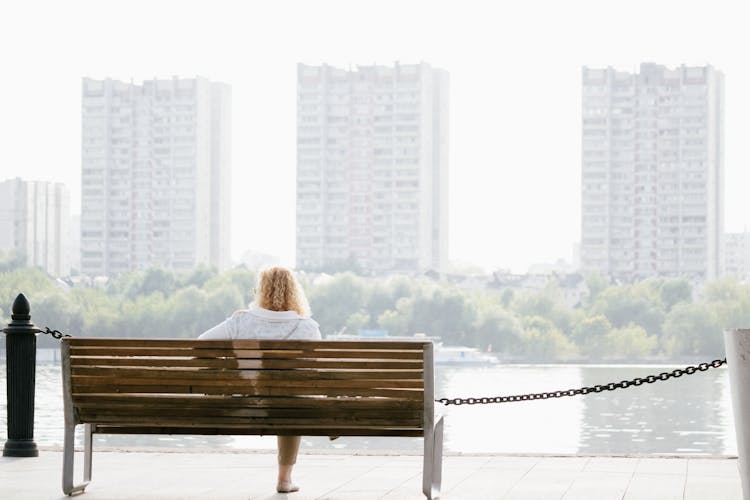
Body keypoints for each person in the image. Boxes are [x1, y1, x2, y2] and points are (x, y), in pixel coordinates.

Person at [199, 266, 321, 494]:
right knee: (293, 401)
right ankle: (284, 479)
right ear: (294, 292)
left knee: (290, 399)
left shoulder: (240, 322)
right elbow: (315, 370)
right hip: (291, 405)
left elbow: (200, 344)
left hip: (246, 401)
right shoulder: (308, 328)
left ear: (261, 290)